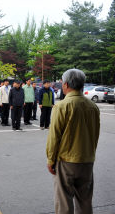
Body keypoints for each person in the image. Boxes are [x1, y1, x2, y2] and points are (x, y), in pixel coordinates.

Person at [46, 69, 100, 214]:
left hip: (66, 161)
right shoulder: (93, 107)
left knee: (64, 203)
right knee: (85, 201)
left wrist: (51, 160)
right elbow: (95, 135)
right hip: (87, 160)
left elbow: (54, 137)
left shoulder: (62, 106)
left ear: (66, 84)